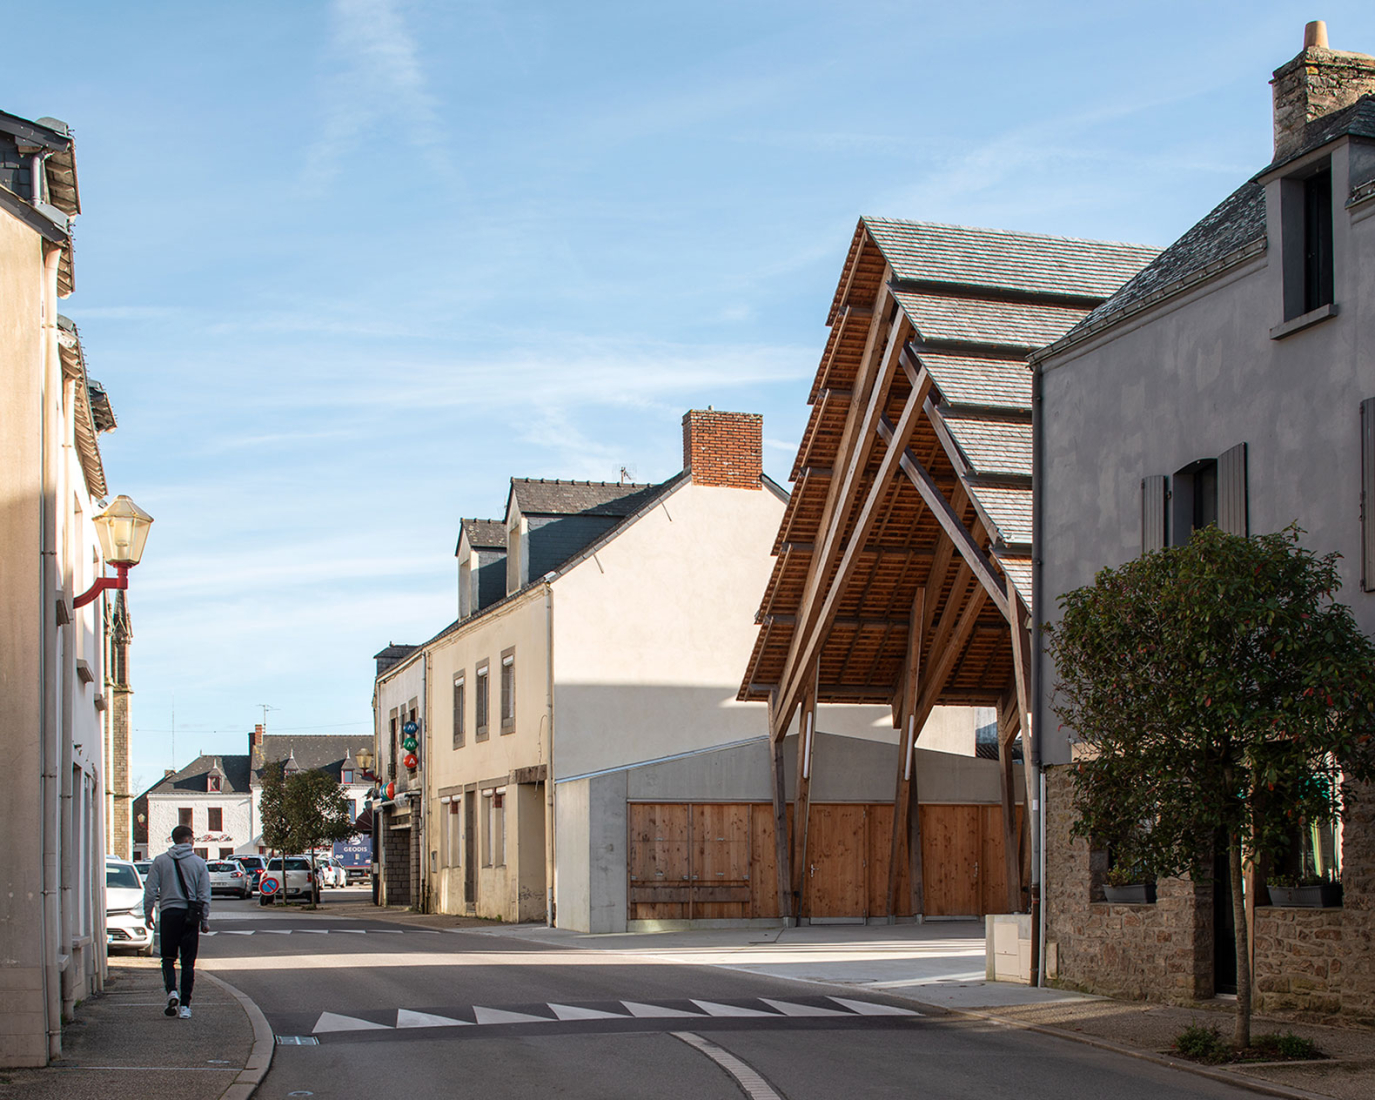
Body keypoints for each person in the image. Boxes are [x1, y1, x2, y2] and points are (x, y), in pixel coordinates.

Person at [142, 825, 211, 1019]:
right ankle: (185, 1006)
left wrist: (148, 914)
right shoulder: (199, 863)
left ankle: (172, 991)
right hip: (190, 916)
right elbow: (204, 895)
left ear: (173, 840)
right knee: (188, 962)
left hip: (169, 914)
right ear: (189, 840)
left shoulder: (160, 861)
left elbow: (150, 891)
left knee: (168, 958)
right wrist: (204, 920)